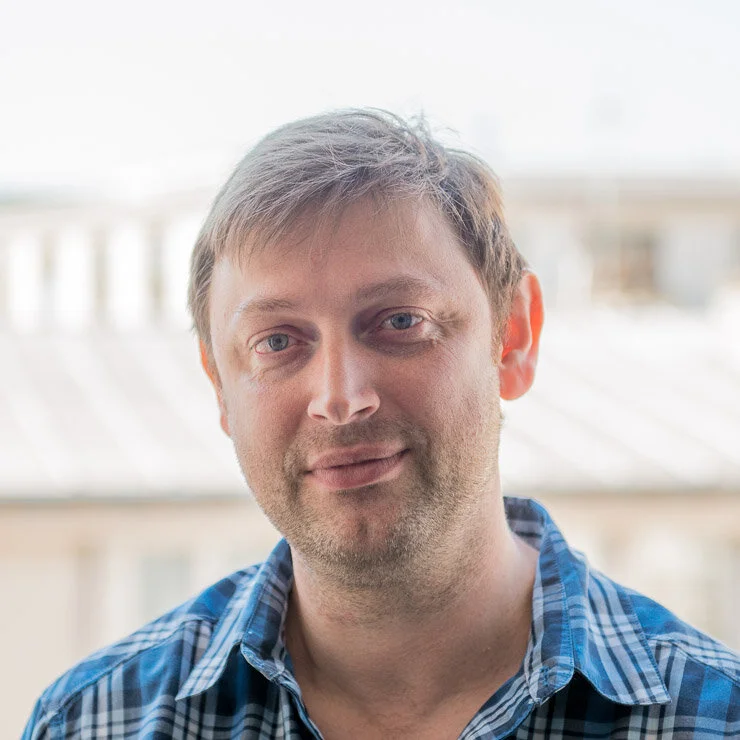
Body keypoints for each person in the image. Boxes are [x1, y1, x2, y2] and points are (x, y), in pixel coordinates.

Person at [23, 109, 739, 739]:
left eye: (400, 322)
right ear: (219, 386)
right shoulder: (93, 722)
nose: (340, 398)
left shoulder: (713, 718)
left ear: (514, 337)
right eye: (278, 341)